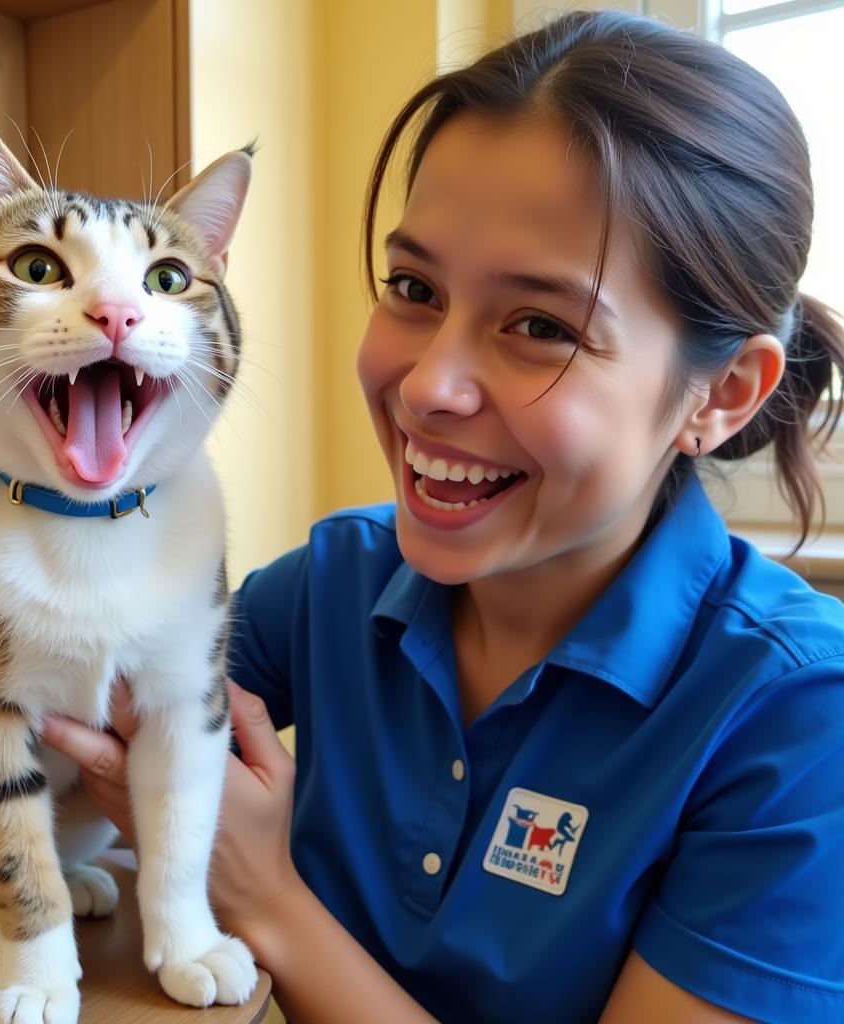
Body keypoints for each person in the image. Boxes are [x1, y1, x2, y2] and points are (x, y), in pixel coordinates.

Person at [42, 10, 844, 1023]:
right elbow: (69, 713)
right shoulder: (334, 582)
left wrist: (266, 898)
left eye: (539, 325)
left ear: (721, 393)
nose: (426, 387)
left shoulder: (799, 718)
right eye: (413, 287)